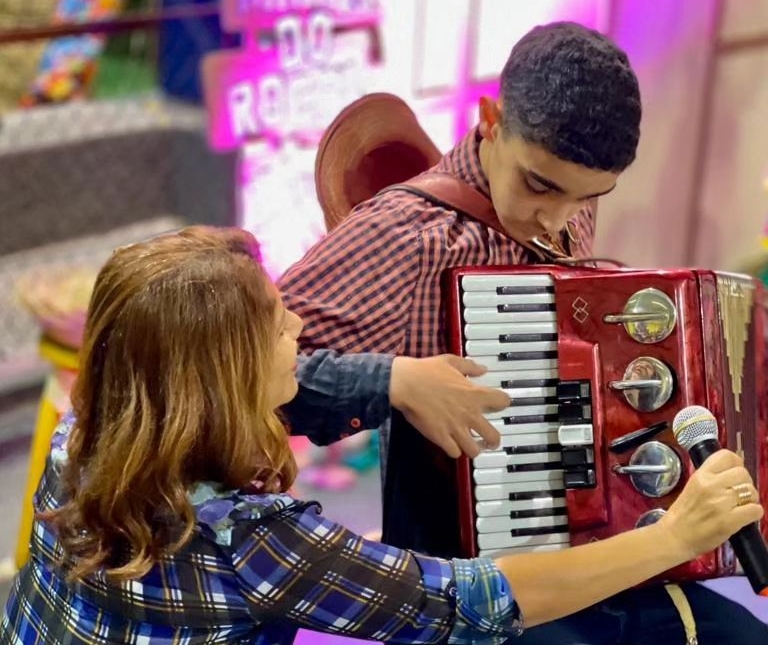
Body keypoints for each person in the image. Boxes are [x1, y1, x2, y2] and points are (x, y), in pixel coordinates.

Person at [1, 226, 763, 644]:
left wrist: (397, 379)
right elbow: (470, 602)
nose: (298, 323)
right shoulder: (253, 543)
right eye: (275, 321)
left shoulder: (86, 432)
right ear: (220, 377)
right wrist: (674, 537)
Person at [277, 21, 768, 644]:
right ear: (491, 119)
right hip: (476, 588)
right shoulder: (406, 236)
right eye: (540, 185)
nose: (556, 218)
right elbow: (232, 377)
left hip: (607, 562)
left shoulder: (566, 198)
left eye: (588, 197)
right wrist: (394, 380)